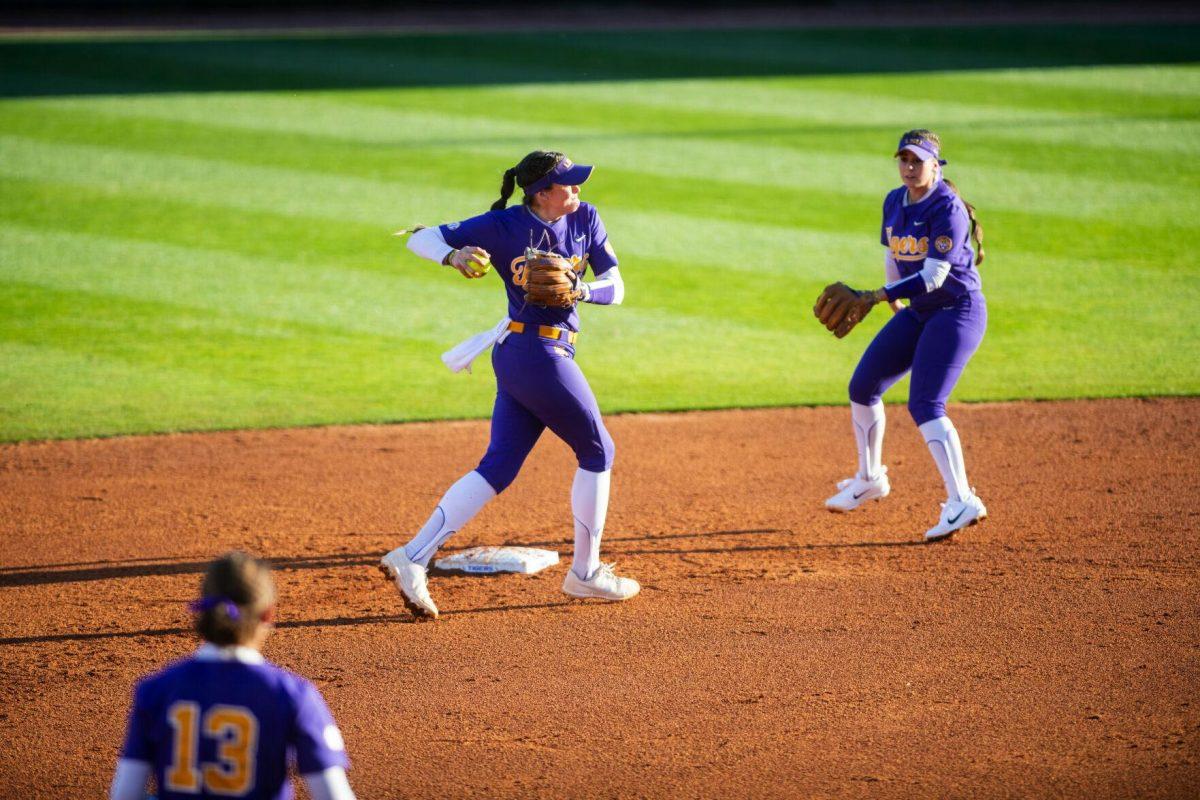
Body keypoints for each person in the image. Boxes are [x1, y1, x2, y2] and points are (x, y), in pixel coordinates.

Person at [380, 150, 638, 619]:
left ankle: (412, 556)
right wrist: (453, 255)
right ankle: (586, 572)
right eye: (568, 186)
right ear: (542, 194)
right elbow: (423, 240)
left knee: (498, 466)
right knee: (599, 451)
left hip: (530, 355)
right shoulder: (504, 226)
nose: (577, 192)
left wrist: (581, 290)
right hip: (535, 355)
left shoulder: (587, 218)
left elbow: (616, 286)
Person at [817, 130, 989, 542]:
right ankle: (870, 477)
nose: (910, 168)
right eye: (904, 160)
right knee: (863, 386)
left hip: (957, 311)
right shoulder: (895, 200)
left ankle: (962, 499)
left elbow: (935, 275)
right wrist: (894, 301)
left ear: (936, 164)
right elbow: (893, 252)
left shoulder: (947, 208)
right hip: (920, 310)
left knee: (926, 402)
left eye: (918, 161)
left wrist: (877, 296)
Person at [109, 552, 355, 800]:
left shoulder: (155, 690)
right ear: (268, 614)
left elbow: (125, 795)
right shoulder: (293, 695)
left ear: (203, 609)